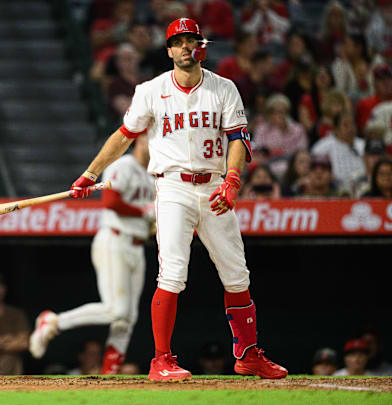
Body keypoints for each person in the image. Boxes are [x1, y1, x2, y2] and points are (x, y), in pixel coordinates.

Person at [56, 18, 287, 382]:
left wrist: (233, 180)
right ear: (168, 50)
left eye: (190, 40)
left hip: (214, 185)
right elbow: (124, 136)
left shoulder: (224, 88)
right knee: (173, 273)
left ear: (201, 46)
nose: (184, 47)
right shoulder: (150, 90)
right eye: (177, 42)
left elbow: (238, 139)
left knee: (236, 274)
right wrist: (90, 172)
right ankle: (161, 359)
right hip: (174, 187)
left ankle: (247, 354)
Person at [29, 134, 155, 375]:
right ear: (139, 140)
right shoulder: (122, 165)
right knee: (115, 310)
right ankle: (54, 322)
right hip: (114, 240)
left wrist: (155, 221)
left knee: (127, 318)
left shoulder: (153, 175)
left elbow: (150, 219)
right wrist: (145, 212)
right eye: (151, 138)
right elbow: (111, 202)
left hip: (137, 246)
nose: (155, 143)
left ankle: (110, 372)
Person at [311, 110, 366, 195]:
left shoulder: (363, 145)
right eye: (345, 125)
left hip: (363, 188)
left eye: (352, 125)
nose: (350, 129)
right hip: (334, 190)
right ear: (335, 128)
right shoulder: (322, 147)